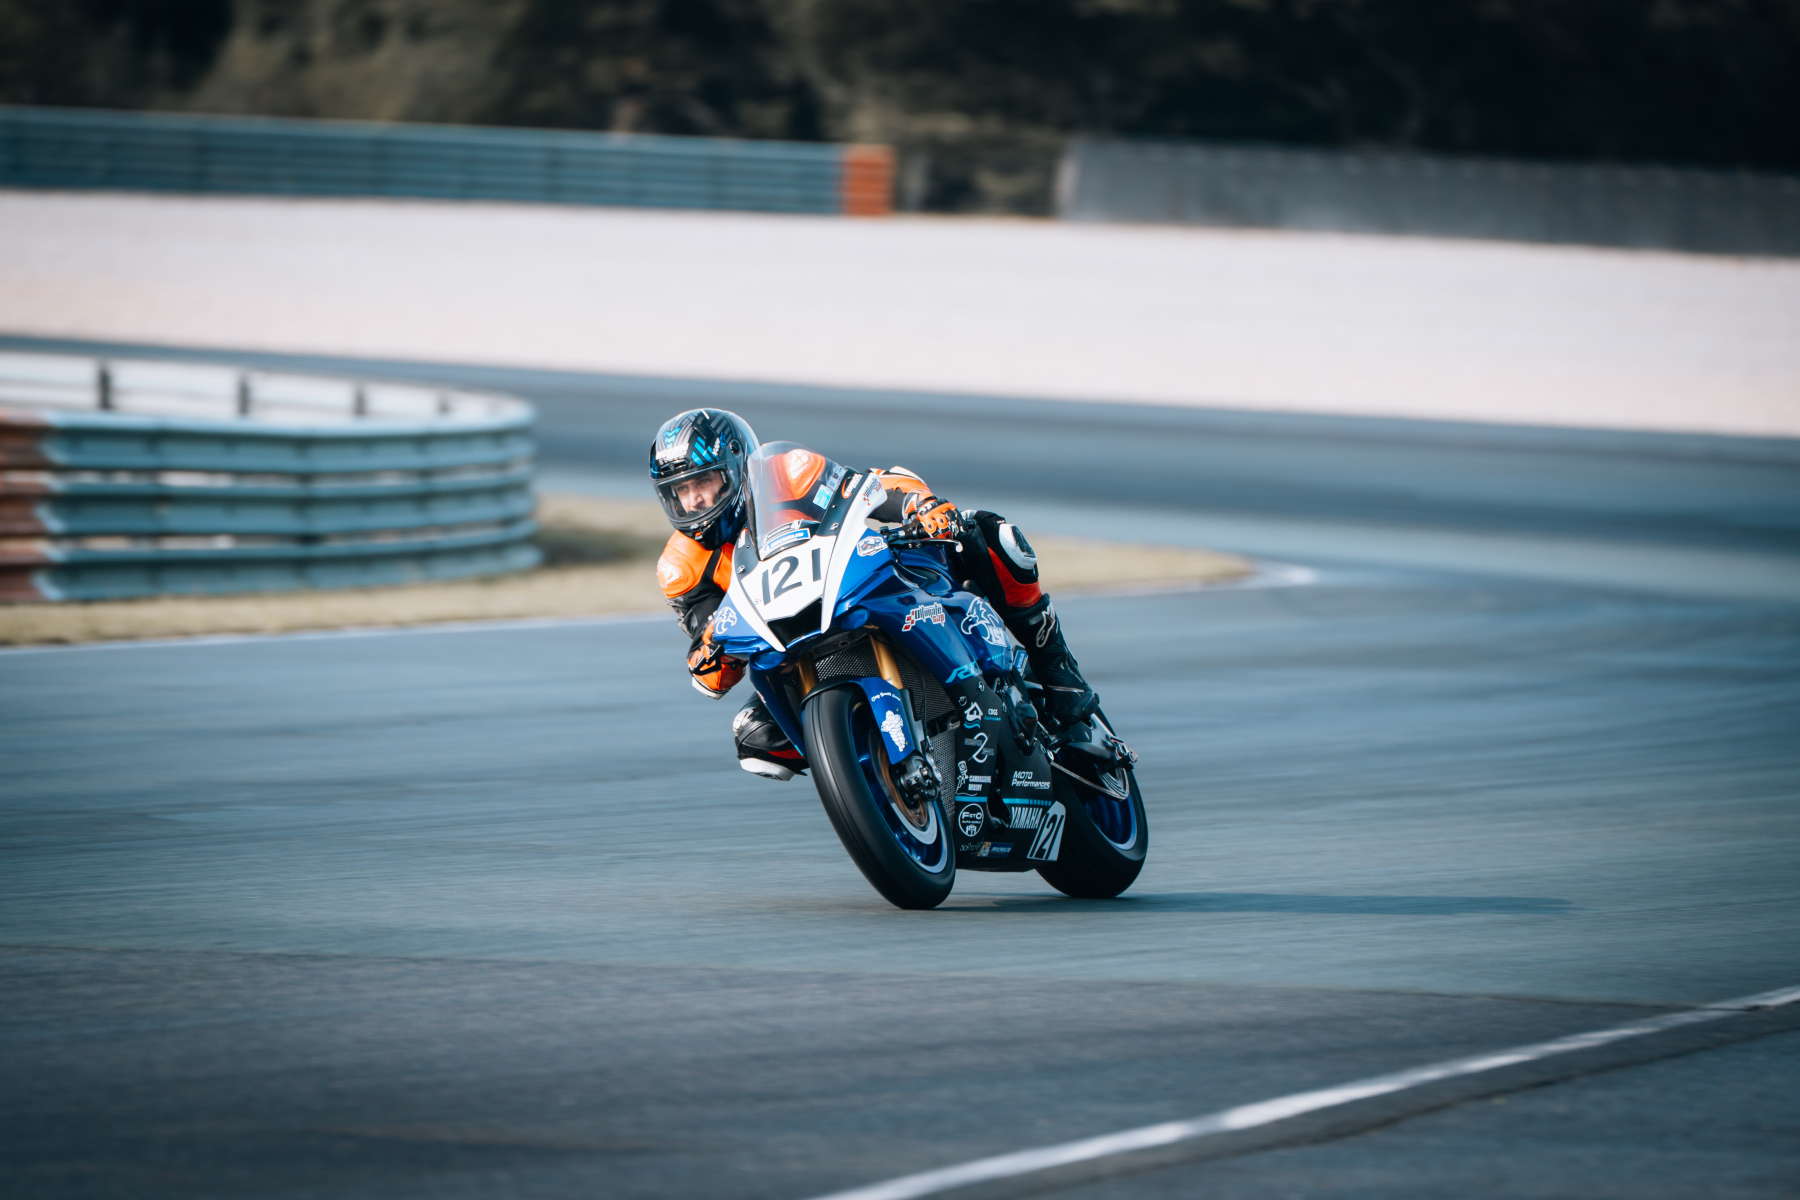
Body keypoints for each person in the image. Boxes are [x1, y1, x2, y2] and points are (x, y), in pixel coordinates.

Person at [650, 407, 1099, 780]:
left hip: (857, 586)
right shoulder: (679, 566)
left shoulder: (787, 471)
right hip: (793, 648)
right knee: (754, 736)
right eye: (679, 491)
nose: (693, 501)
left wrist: (918, 506)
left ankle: (1059, 672)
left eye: (702, 482)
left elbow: (868, 486)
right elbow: (712, 642)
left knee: (987, 533)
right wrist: (711, 652)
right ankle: (866, 771)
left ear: (736, 468)